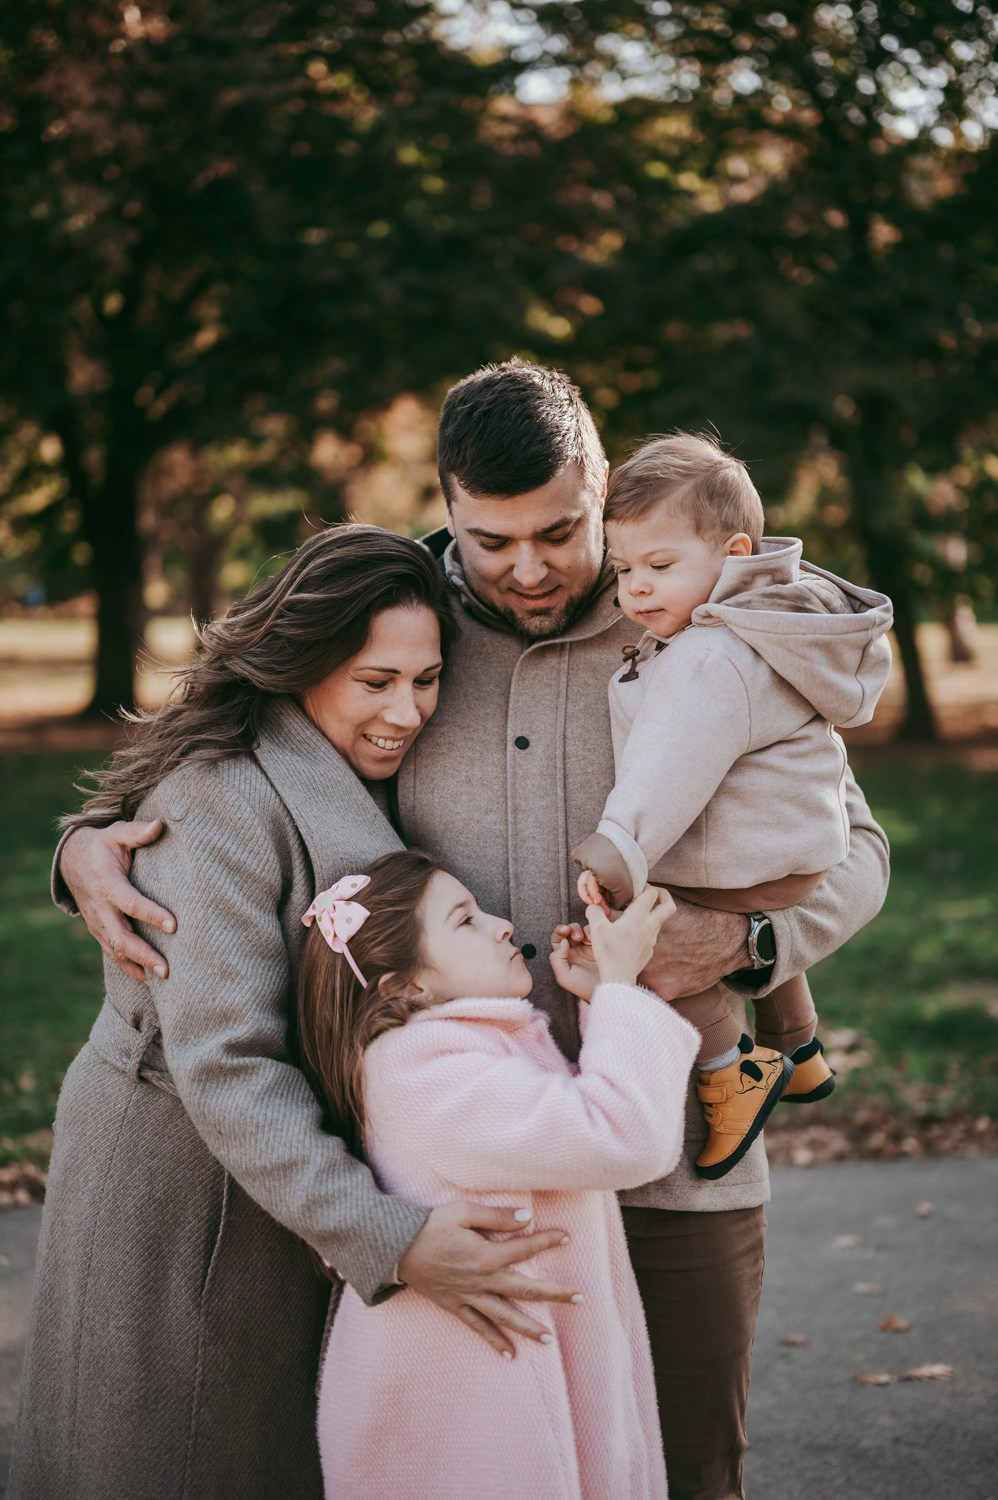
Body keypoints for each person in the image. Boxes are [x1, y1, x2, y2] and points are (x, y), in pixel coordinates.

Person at [53, 361, 891, 1500]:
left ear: (601, 488)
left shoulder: (701, 622)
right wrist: (88, 839)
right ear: (446, 510)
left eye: (557, 531)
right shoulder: (397, 627)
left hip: (673, 1155)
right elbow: (228, 752)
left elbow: (855, 849)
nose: (527, 567)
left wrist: (748, 951)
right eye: (490, 540)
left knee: (684, 1468)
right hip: (457, 1175)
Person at [10, 526, 582, 1500]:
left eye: (425, 678)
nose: (407, 710)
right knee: (175, 1455)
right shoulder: (223, 799)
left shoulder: (350, 763)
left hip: (281, 1185)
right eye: (374, 682)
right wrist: (387, 1235)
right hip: (187, 1192)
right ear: (302, 664)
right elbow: (229, 1064)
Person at [297, 851, 699, 1499]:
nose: (504, 925)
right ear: (405, 986)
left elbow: (574, 1131)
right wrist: (624, 984)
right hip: (476, 1405)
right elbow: (620, 1137)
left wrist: (602, 1000)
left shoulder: (478, 1047)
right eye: (466, 920)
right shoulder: (422, 1069)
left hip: (522, 1368)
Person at [572, 432, 893, 1179]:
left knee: (646, 941)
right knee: (716, 905)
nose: (636, 592)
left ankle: (731, 1070)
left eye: (659, 567)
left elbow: (667, 769)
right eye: (623, 571)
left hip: (747, 864)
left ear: (733, 550)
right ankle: (802, 1050)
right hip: (793, 854)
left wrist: (619, 847)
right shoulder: (768, 627)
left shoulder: (710, 657)